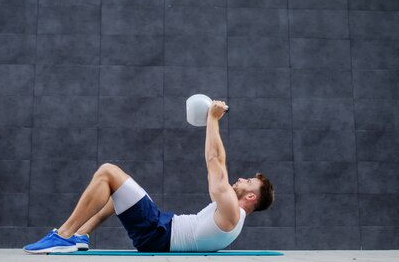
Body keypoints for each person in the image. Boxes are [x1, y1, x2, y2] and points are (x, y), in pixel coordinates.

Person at [23, 100, 275, 253]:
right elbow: (217, 164)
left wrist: (212, 118)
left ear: (251, 196)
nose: (241, 179)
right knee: (118, 191)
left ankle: (64, 236)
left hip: (159, 234)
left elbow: (214, 161)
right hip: (162, 230)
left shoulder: (232, 211)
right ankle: (81, 235)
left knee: (108, 172)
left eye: (248, 181)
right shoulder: (231, 216)